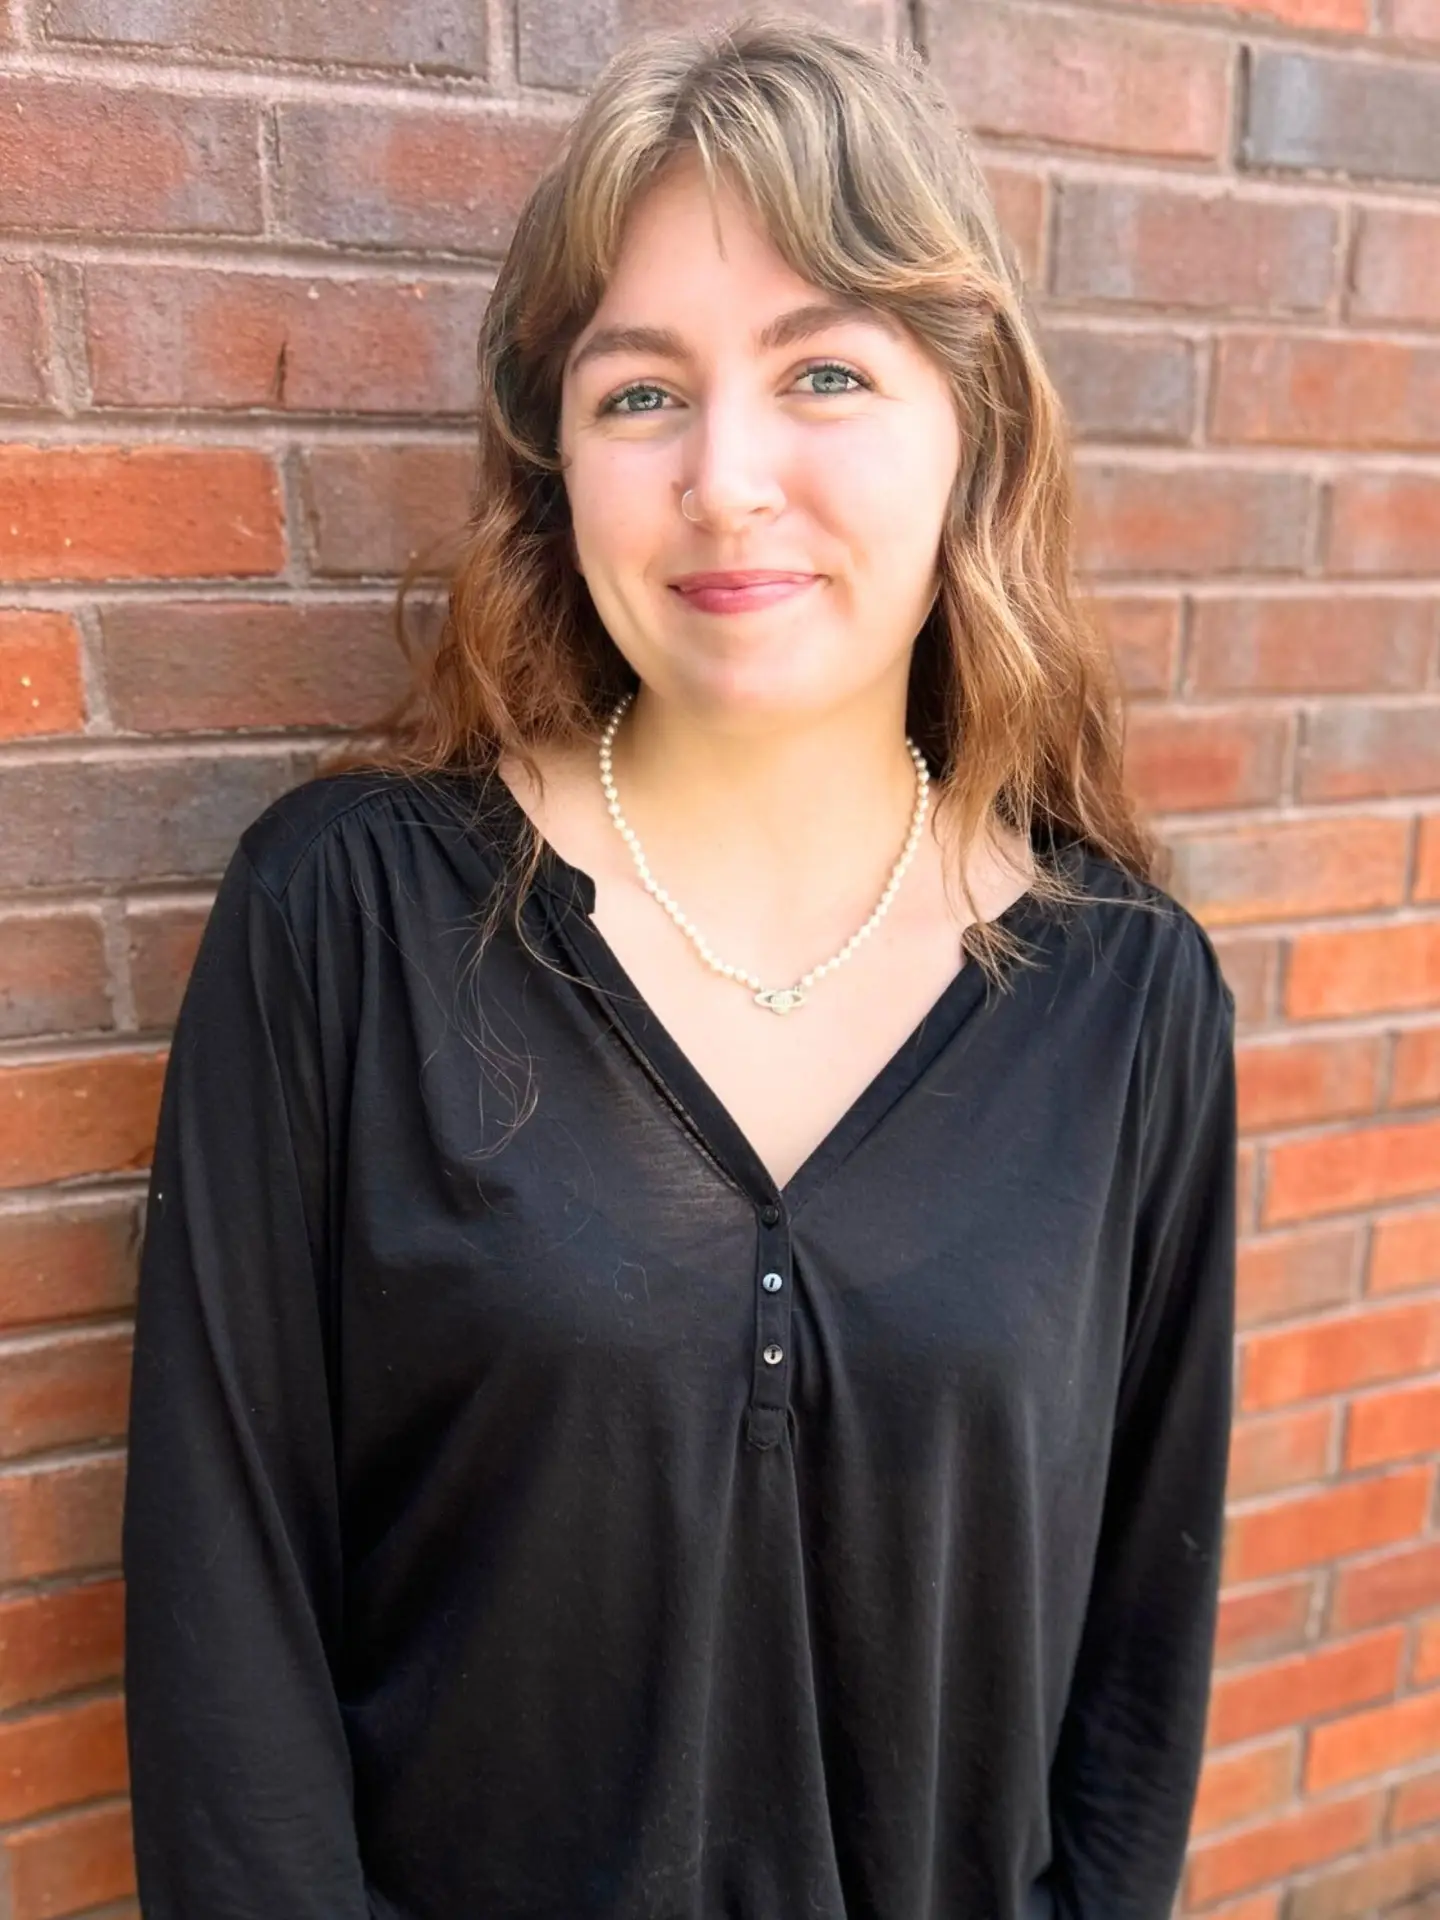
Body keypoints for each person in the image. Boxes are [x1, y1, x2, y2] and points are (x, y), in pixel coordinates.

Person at [121, 13, 1237, 1920]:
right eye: (642, 392)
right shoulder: (349, 925)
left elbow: (1138, 1647)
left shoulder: (1126, 989)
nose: (727, 478)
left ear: (970, 426)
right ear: (557, 455)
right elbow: (225, 1632)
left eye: (824, 371)